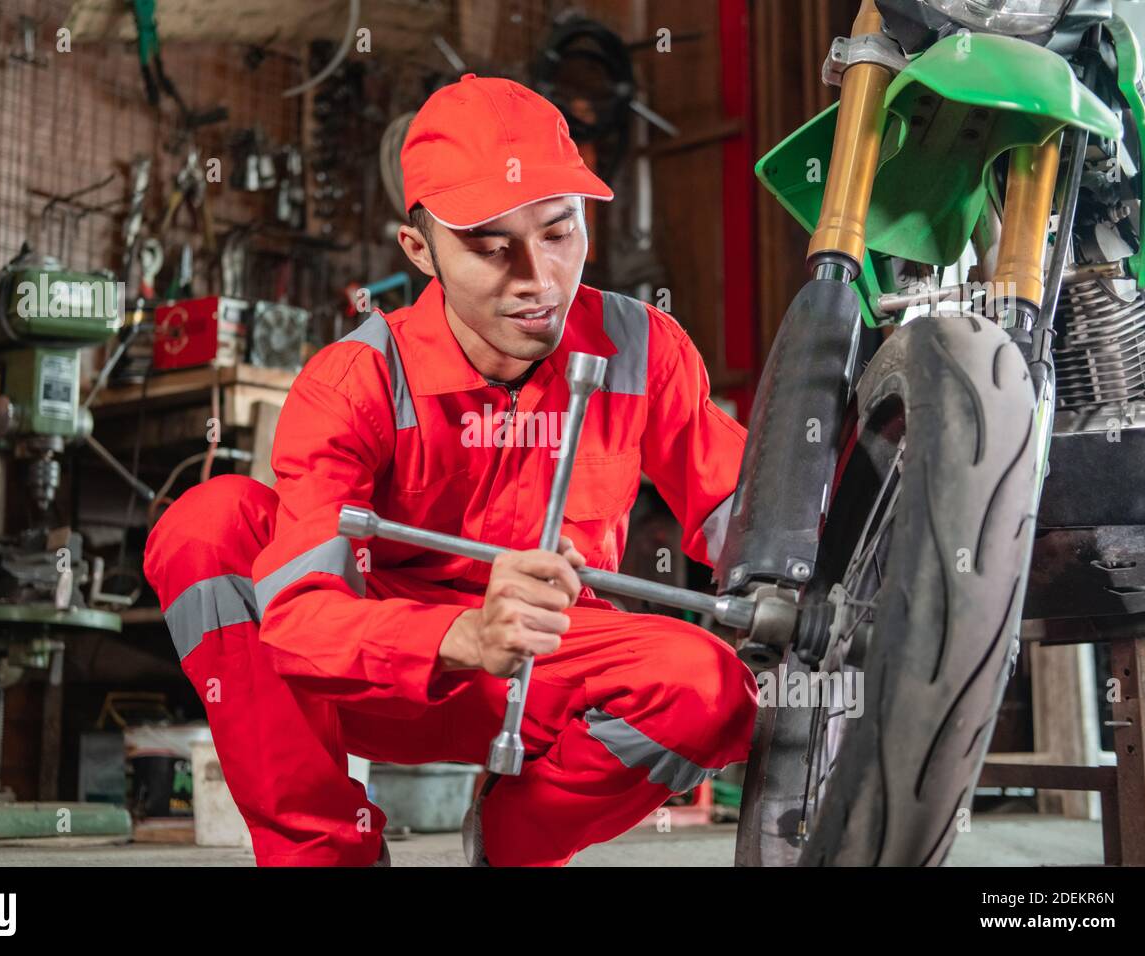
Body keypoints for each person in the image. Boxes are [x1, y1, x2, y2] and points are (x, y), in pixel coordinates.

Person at [144, 73, 758, 866]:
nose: (538, 278)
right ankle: (327, 854)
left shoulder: (642, 347)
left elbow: (746, 517)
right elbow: (296, 618)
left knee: (710, 688)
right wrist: (462, 633)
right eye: (489, 245)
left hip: (547, 659)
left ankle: (514, 845)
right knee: (208, 523)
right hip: (374, 674)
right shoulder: (355, 379)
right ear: (419, 250)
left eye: (559, 230)